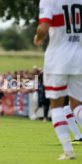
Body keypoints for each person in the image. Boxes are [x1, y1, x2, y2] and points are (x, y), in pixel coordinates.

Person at [34, 0, 82, 160]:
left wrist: (38, 37)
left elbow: (43, 27)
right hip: (79, 57)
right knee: (77, 105)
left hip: (58, 59)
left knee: (56, 105)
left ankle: (68, 151)